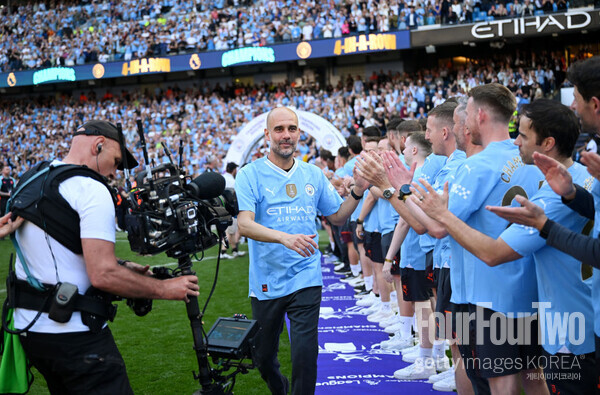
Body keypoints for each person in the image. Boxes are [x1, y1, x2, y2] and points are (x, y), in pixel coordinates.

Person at [414, 99, 597, 394]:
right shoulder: (584, 181)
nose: (517, 141)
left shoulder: (549, 196)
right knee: (536, 378)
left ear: (547, 143)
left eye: (523, 135)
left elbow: (492, 253)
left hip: (561, 316)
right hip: (560, 308)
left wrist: (442, 214)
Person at [11, 120, 200, 394]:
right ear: (98, 144)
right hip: (75, 335)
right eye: (116, 160)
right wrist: (165, 288)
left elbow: (59, 248)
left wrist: (124, 266)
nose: (114, 172)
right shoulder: (91, 188)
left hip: (31, 331)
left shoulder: (34, 176)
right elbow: (102, 274)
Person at [235, 107, 374, 395]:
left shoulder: (312, 174)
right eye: (279, 129)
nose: (286, 135)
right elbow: (245, 225)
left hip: (306, 276)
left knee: (305, 354)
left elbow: (336, 216)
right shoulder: (250, 174)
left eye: (292, 129)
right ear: (266, 135)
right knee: (262, 358)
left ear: (299, 133)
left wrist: (358, 191)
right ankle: (279, 387)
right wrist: (284, 238)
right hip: (267, 282)